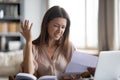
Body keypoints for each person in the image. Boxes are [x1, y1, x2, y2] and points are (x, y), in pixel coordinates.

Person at [20, 5, 94, 80]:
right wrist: (28, 42)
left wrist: (90, 71)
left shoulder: (69, 46)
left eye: (63, 27)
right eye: (56, 25)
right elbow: (28, 73)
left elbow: (78, 73)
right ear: (46, 24)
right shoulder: (33, 47)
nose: (59, 31)